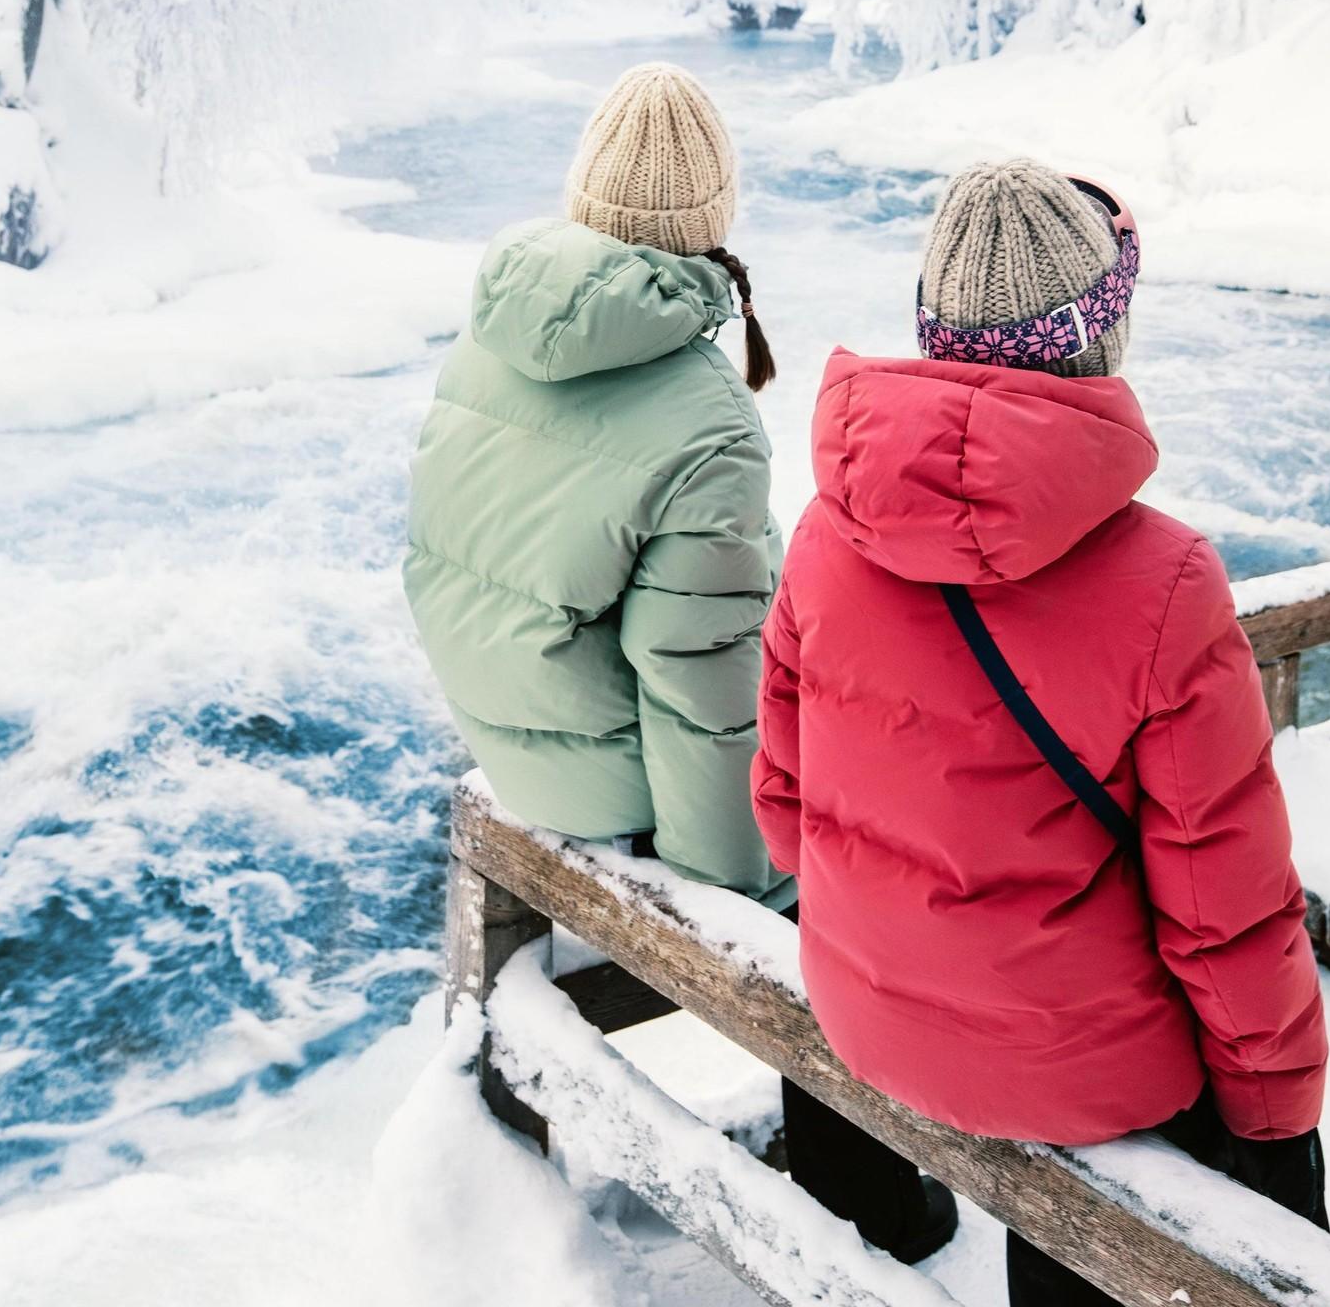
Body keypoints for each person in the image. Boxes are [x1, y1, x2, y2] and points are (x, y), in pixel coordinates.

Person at [404, 62, 956, 1263]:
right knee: (838, 877)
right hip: (610, 781)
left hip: (506, 727)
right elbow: (701, 690)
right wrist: (744, 883)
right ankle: (871, 1203)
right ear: (713, 220)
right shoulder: (707, 418)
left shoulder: (495, 328)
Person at [752, 159, 1329, 1304]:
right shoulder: (1169, 581)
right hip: (1080, 1067)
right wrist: (1277, 1124)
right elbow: (1224, 907)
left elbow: (782, 809)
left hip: (867, 1010)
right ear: (1099, 337)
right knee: (1175, 1135)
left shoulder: (827, 533)